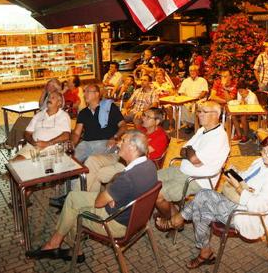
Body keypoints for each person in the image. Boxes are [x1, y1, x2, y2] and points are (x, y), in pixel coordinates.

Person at [155, 134, 268, 269]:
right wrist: (235, 173)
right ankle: (205, 253)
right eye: (263, 150)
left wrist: (239, 188)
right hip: (240, 202)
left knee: (203, 196)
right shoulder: (263, 162)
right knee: (200, 208)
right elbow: (247, 176)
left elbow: (259, 206)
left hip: (248, 215)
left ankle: (176, 221)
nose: (264, 155)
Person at [25, 130, 158, 262]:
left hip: (114, 223)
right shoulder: (150, 166)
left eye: (123, 141)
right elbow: (122, 185)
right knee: (73, 198)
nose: (118, 144)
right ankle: (62, 245)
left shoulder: (128, 178)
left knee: (73, 208)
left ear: (133, 147)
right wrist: (112, 194)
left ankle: (65, 248)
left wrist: (108, 195)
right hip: (134, 219)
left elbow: (98, 203)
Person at [154, 101, 230, 220]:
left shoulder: (219, 137)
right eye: (199, 111)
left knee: (157, 194)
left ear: (216, 115)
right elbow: (182, 150)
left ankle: (174, 221)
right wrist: (189, 151)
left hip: (197, 180)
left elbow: (195, 160)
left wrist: (189, 151)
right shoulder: (202, 130)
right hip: (182, 171)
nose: (199, 114)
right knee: (148, 179)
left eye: (204, 112)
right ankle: (171, 210)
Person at [80, 108, 170, 194]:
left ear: (157, 122)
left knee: (98, 174)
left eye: (148, 117)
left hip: (133, 164)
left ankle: (87, 199)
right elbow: (127, 138)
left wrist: (122, 144)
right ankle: (83, 196)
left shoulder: (160, 137)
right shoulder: (143, 129)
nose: (143, 118)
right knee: (92, 160)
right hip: (120, 156)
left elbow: (139, 154)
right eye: (144, 115)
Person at [72, 82, 126, 163]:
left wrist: (114, 137)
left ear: (97, 94)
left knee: (90, 161)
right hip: (86, 144)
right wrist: (71, 145)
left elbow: (123, 126)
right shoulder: (83, 112)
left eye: (88, 92)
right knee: (72, 162)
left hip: (105, 142)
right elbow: (76, 133)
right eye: (84, 92)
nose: (85, 94)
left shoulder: (109, 107)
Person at [12, 91, 71, 161]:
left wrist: (47, 143)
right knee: (14, 162)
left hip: (53, 148)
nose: (49, 99)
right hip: (34, 147)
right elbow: (27, 133)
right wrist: (33, 142)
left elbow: (66, 135)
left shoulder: (63, 115)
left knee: (22, 163)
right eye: (49, 97)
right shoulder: (39, 115)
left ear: (59, 103)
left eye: (53, 98)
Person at [178, 65, 209, 132]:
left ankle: (196, 124)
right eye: (191, 71)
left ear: (197, 71)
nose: (192, 72)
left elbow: (204, 91)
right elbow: (181, 92)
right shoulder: (185, 81)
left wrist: (197, 98)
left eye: (194, 70)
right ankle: (189, 124)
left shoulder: (202, 80)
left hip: (199, 100)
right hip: (187, 100)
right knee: (184, 106)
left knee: (197, 106)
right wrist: (186, 99)